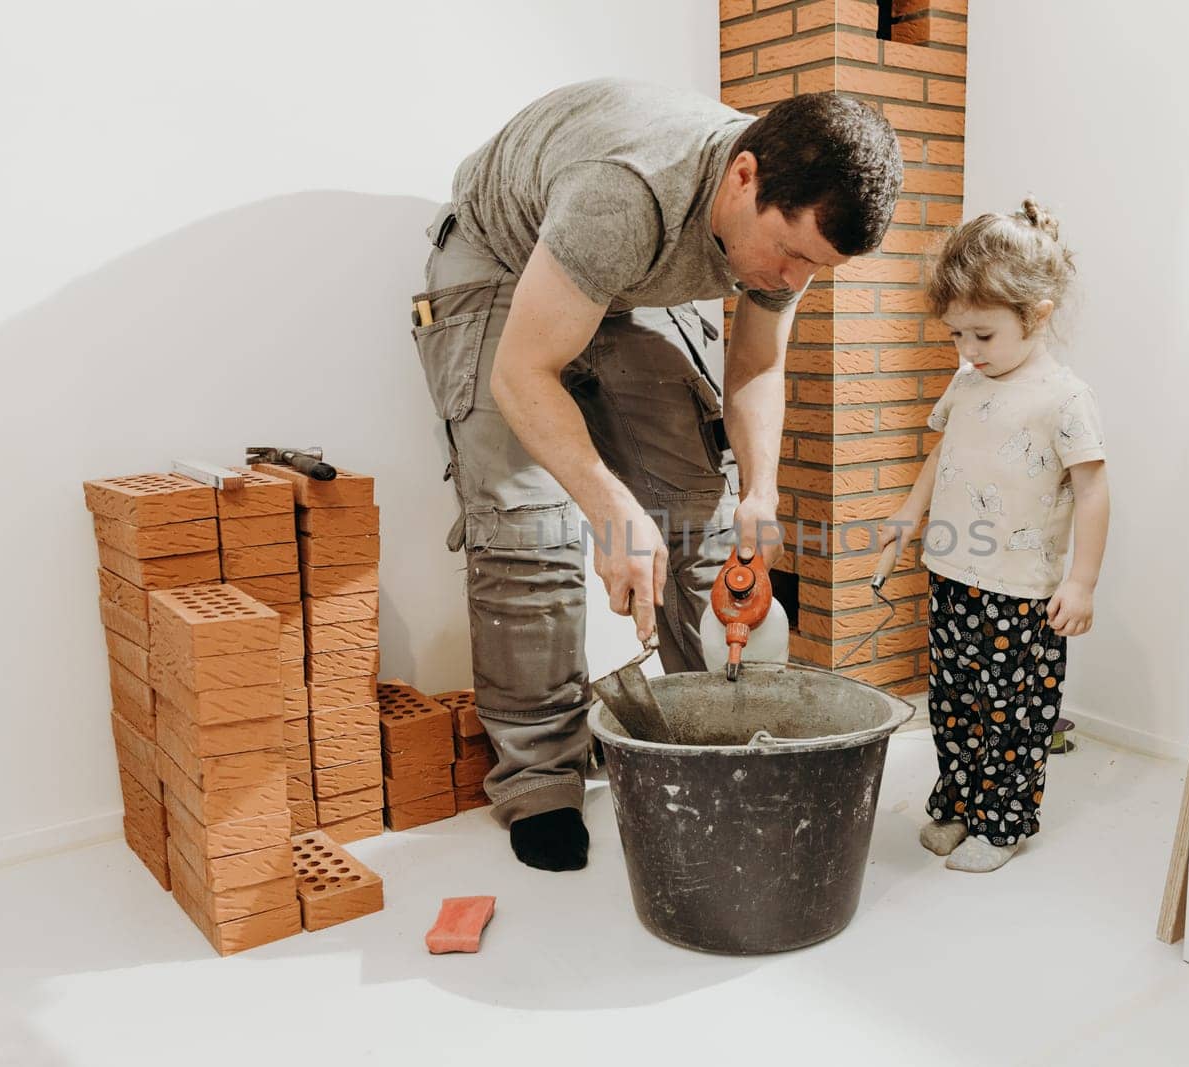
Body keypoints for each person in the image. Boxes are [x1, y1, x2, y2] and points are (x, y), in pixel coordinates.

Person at [411, 79, 903, 871]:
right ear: (743, 177)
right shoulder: (626, 194)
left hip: (625, 276)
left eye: (814, 267)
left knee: (698, 515)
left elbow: (757, 362)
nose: (787, 278)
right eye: (787, 252)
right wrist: (609, 508)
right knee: (528, 530)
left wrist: (762, 492)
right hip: (506, 261)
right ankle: (541, 781)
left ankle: (724, 731)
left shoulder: (788, 221)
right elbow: (523, 375)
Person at [876, 197, 1111, 873]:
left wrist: (1082, 580)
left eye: (982, 335)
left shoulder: (1064, 399)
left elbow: (1093, 489)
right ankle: (955, 802)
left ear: (1035, 315)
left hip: (1019, 591)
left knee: (1011, 712)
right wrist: (907, 514)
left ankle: (1002, 821)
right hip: (953, 574)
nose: (968, 351)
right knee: (951, 703)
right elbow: (942, 453)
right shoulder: (967, 383)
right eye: (956, 336)